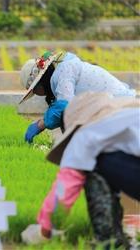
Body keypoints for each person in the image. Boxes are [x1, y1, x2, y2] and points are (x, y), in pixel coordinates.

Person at [21, 92, 140, 249]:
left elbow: (65, 188)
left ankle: (109, 239)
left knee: (94, 168)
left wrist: (45, 229)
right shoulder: (127, 114)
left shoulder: (87, 134)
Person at [19, 51, 135, 143]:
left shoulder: (64, 71)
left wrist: (40, 124)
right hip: (113, 108)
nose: (37, 94)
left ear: (40, 82)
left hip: (120, 108)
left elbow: (64, 106)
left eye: (35, 90)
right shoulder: (62, 73)